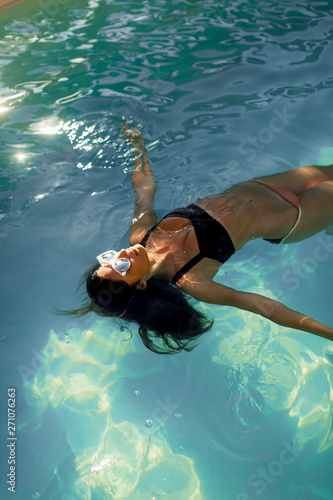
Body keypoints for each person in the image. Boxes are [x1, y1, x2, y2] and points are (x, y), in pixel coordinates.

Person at [68, 123, 333, 354]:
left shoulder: (141, 234)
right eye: (122, 268)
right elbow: (267, 308)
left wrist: (136, 144)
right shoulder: (193, 280)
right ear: (140, 286)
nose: (122, 256)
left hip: (262, 187)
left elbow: (145, 188)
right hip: (296, 219)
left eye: (111, 258)